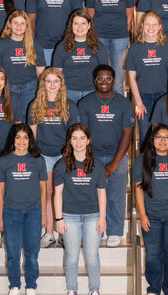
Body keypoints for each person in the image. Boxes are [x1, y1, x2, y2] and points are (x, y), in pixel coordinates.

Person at [78, 65, 135, 247]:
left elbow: (128, 133)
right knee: (93, 195)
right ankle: (98, 229)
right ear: (95, 81)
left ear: (114, 80)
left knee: (115, 195)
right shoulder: (85, 103)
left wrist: (114, 163)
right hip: (92, 156)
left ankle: (115, 231)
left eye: (108, 78)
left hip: (117, 155)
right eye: (100, 78)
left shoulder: (124, 103)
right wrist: (91, 159)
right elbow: (83, 134)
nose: (104, 82)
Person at [133, 124, 168, 295]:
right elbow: (138, 189)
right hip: (151, 215)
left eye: (167, 137)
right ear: (153, 140)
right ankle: (154, 288)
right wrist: (142, 215)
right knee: (152, 255)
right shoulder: (142, 159)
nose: (163, 140)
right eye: (159, 137)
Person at [27, 68, 80, 248]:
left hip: (64, 155)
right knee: (49, 194)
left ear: (61, 84)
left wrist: (69, 155)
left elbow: (74, 133)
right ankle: (49, 233)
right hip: (44, 155)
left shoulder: (69, 105)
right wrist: (35, 156)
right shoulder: (35, 105)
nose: (52, 85)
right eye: (48, 81)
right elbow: (32, 134)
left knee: (65, 193)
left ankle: (64, 232)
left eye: (55, 81)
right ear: (43, 84)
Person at [53, 124, 107, 295]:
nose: (78, 142)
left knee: (92, 256)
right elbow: (58, 193)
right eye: (74, 138)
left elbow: (102, 194)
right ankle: (72, 290)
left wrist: (102, 218)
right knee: (72, 256)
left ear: (88, 141)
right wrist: (59, 218)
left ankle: (94, 290)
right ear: (69, 141)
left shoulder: (97, 165)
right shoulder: (61, 165)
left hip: (93, 216)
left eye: (82, 138)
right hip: (70, 216)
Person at [0, 124, 47, 295]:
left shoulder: (38, 160)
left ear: (30, 140)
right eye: (18, 137)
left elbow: (43, 189)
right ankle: (14, 285)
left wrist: (44, 214)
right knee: (13, 253)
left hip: (33, 211)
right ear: (13, 139)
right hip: (11, 212)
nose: (22, 141)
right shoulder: (4, 161)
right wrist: (0, 216)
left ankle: (31, 285)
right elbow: (0, 190)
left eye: (25, 137)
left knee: (32, 253)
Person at [125, 11, 168, 143]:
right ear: (142, 26)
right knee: (146, 137)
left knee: (166, 135)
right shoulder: (134, 49)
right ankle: (147, 163)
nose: (150, 28)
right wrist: (138, 102)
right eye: (147, 24)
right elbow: (131, 78)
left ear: (160, 26)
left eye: (154, 24)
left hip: (164, 96)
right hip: (143, 97)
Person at [86, 0, 135, 96]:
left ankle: (119, 114)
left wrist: (121, 33)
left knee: (118, 81)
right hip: (99, 38)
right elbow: (90, 17)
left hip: (120, 38)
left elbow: (129, 18)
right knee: (100, 78)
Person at [0, 10, 45, 114]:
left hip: (30, 88)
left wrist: (42, 92)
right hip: (8, 88)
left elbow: (41, 73)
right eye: (15, 22)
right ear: (10, 25)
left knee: (28, 118)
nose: (19, 26)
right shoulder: (0, 45)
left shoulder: (35, 44)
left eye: (22, 23)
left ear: (27, 26)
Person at [52, 10, 109, 103]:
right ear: (71, 25)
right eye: (76, 23)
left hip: (92, 91)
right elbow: (56, 74)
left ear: (89, 25)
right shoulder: (62, 46)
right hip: (68, 92)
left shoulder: (98, 46)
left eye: (83, 23)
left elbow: (104, 73)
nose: (79, 27)